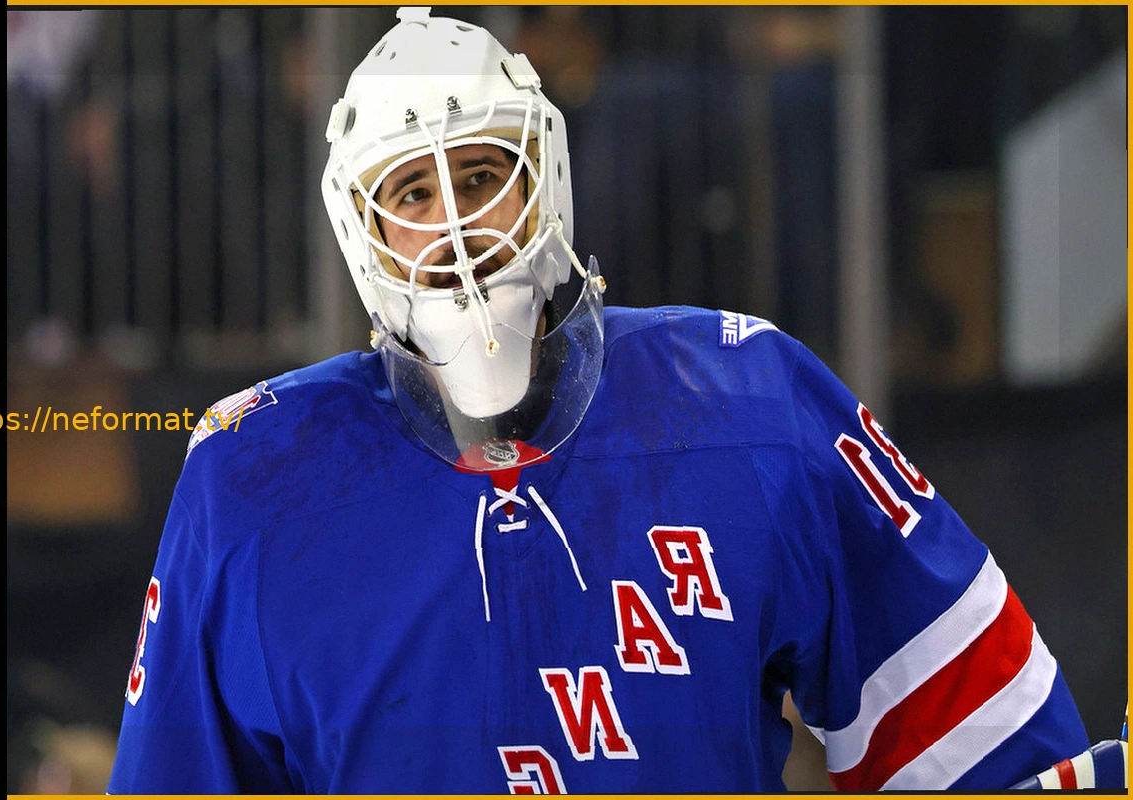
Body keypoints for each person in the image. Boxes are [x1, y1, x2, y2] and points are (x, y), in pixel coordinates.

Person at [107, 7, 1111, 793]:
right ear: (361, 234)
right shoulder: (253, 474)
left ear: (544, 178)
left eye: (481, 174)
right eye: (412, 194)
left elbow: (983, 740)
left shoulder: (748, 396)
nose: (456, 227)